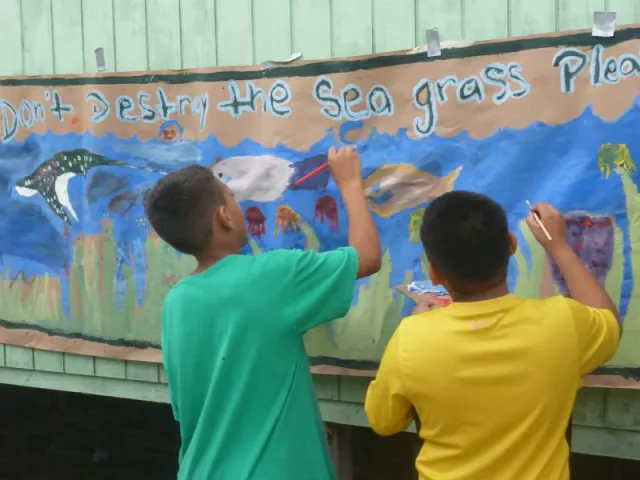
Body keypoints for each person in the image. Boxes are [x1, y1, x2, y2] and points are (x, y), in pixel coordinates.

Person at [144, 146, 381, 480]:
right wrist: (351, 183)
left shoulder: (177, 301)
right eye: (231, 198)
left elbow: (188, 409)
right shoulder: (271, 277)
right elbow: (367, 256)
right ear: (224, 217)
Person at [364, 192, 621, 480]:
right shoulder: (564, 323)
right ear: (512, 244)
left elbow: (384, 421)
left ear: (434, 273)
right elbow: (608, 319)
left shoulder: (411, 337)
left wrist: (418, 330)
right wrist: (558, 246)